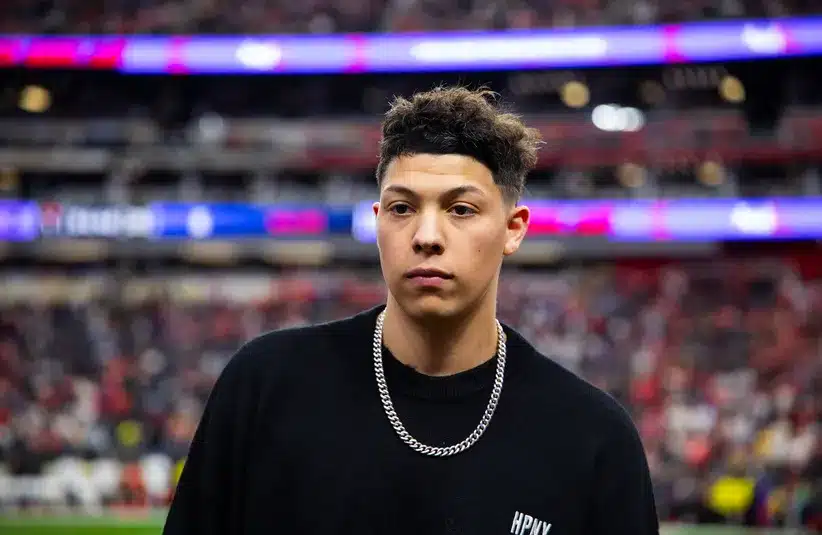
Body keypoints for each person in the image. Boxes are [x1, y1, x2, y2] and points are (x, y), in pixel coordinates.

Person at [163, 86, 659, 535]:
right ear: (378, 221)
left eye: (460, 210)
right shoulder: (264, 385)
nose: (426, 237)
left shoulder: (593, 439)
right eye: (402, 209)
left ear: (513, 228)